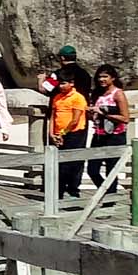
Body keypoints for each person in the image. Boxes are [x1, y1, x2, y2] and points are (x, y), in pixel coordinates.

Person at [49, 62, 90, 198]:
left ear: (71, 83)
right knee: (58, 163)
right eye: (59, 83)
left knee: (73, 162)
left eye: (63, 83)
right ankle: (58, 191)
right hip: (59, 132)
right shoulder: (57, 97)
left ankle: (73, 188)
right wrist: (52, 133)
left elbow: (75, 120)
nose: (61, 86)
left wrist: (62, 134)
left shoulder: (78, 98)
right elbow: (53, 116)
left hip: (74, 133)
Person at [88, 64, 130, 185]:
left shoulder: (118, 93)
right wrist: (91, 112)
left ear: (113, 78)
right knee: (92, 169)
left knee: (111, 171)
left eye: (105, 76)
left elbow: (125, 118)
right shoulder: (97, 93)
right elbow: (94, 116)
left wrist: (103, 114)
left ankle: (109, 201)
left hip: (115, 136)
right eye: (99, 77)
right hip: (98, 135)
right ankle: (105, 194)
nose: (102, 79)